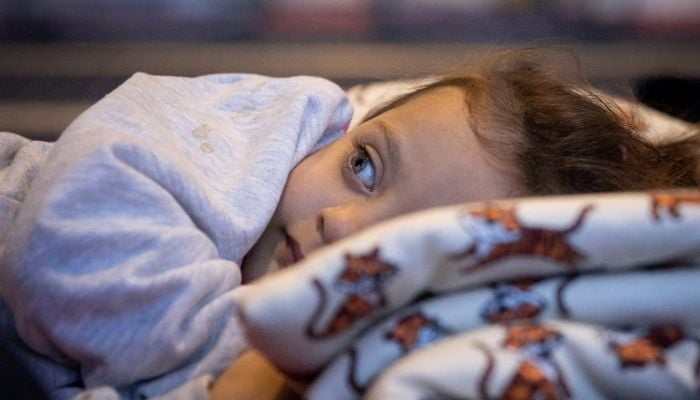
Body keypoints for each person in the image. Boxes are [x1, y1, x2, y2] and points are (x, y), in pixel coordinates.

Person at [0, 49, 698, 400]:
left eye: (396, 248)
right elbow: (88, 196)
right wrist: (228, 360)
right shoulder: (281, 125)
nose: (341, 225)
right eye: (363, 167)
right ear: (352, 127)